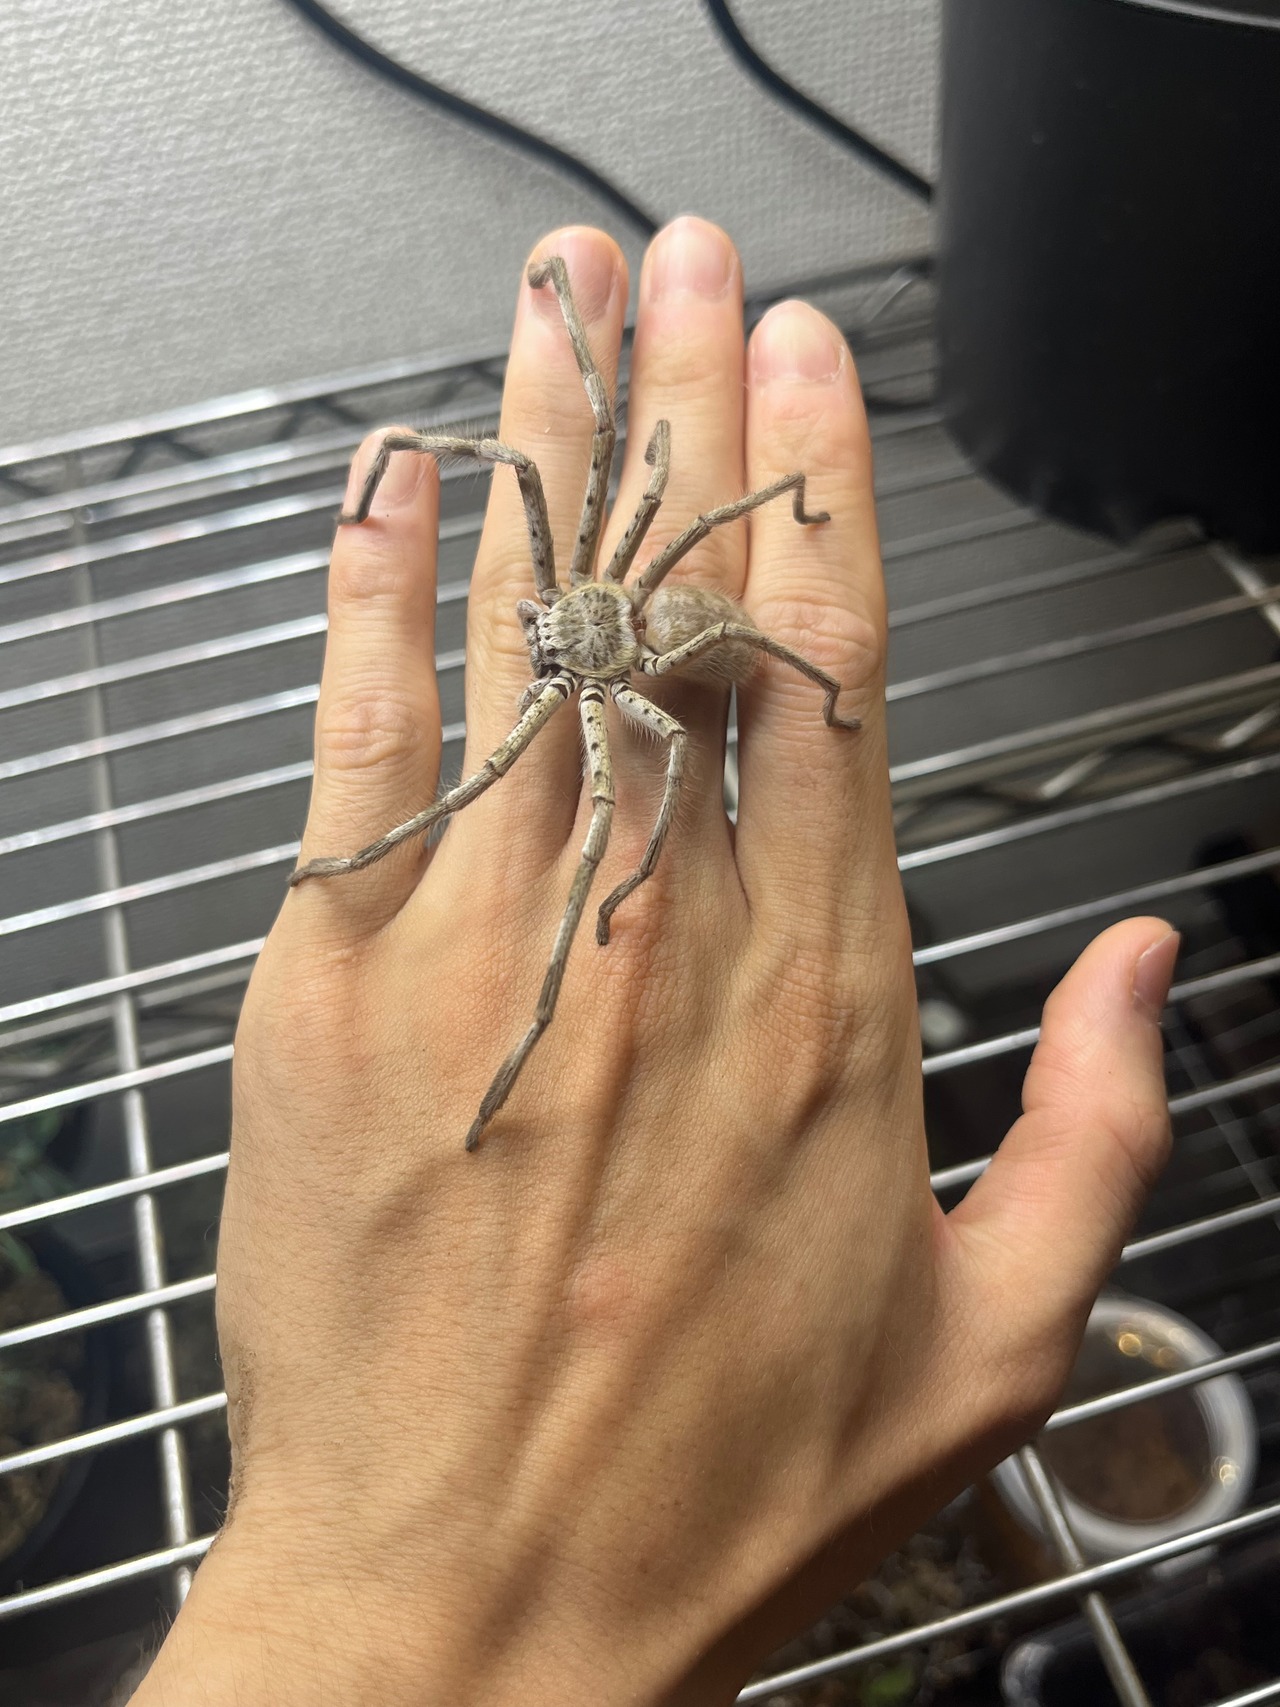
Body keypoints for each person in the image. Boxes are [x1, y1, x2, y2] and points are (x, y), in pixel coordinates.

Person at [131, 219, 1176, 1707]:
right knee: (537, 543)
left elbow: (667, 764)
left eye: (555, 636)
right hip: (641, 615)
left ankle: (512, 1048)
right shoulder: (568, 613)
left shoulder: (621, 681)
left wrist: (626, 867)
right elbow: (538, 468)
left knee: (570, 829)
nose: (540, 640)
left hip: (685, 639)